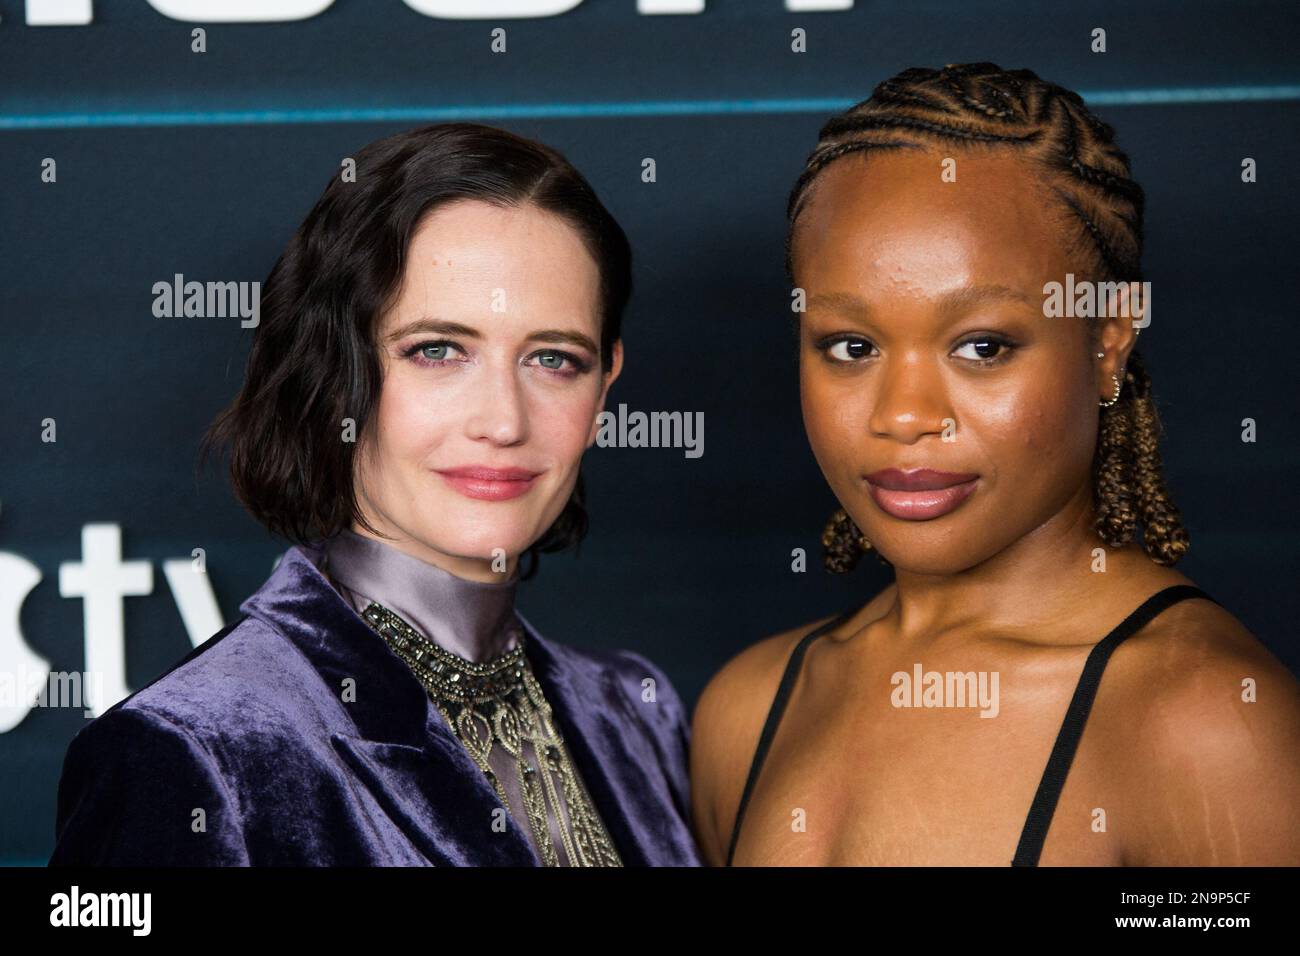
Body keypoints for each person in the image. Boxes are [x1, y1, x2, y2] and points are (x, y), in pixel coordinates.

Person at [691, 63, 1300, 867]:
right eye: (852, 346)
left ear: (1107, 343)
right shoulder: (750, 708)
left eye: (983, 346)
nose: (904, 415)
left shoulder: (1207, 723)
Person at [49, 122, 699, 867]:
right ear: (334, 372)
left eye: (554, 359)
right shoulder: (196, 753)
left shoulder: (633, 710)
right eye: (437, 351)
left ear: (605, 385)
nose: (503, 420)